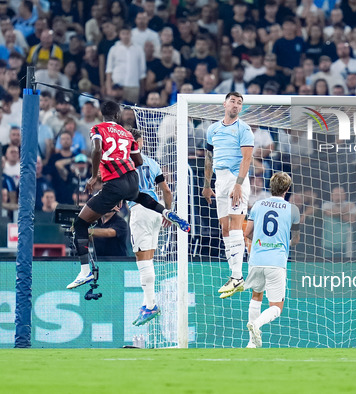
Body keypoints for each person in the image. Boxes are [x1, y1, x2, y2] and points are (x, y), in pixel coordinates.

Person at [67, 101, 189, 290]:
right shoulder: (126, 133)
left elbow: (97, 149)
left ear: (103, 115)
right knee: (138, 196)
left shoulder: (97, 128)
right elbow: (138, 160)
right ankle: (166, 212)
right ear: (118, 116)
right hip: (132, 178)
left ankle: (85, 272)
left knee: (80, 224)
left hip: (114, 183)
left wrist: (93, 177)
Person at [202, 92, 254, 298]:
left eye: (239, 103)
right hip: (219, 180)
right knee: (224, 229)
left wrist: (239, 185)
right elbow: (208, 156)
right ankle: (234, 275)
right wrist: (207, 184)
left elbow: (246, 159)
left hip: (236, 179)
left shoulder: (244, 129)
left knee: (235, 227)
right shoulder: (212, 129)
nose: (236, 105)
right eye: (233, 101)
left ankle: (238, 276)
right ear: (224, 104)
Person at [242, 172, 300, 348]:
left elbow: (247, 234)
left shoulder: (258, 206)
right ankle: (256, 325)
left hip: (257, 258)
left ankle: (252, 343)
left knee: (256, 296)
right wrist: (283, 244)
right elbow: (295, 239)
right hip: (276, 261)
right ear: (287, 189)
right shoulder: (293, 210)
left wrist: (261, 242)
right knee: (277, 307)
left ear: (270, 186)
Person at [128, 128, 173, 326]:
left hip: (140, 210)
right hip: (156, 211)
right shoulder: (152, 163)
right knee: (149, 260)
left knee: (142, 261)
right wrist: (168, 212)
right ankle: (147, 304)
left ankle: (152, 304)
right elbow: (166, 190)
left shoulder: (126, 161)